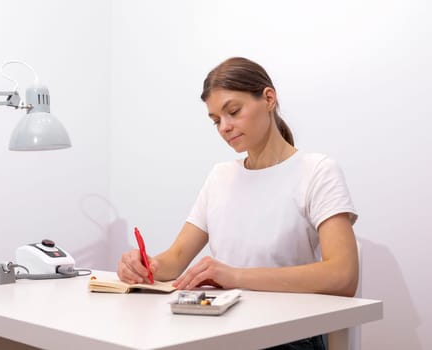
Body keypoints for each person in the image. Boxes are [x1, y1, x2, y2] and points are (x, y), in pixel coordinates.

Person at [118, 57, 359, 350]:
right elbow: (176, 259)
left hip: (286, 336)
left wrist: (233, 277)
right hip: (222, 329)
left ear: (269, 99)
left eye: (233, 112)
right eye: (216, 120)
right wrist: (146, 266)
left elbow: (343, 275)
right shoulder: (221, 176)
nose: (224, 127)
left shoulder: (317, 171)